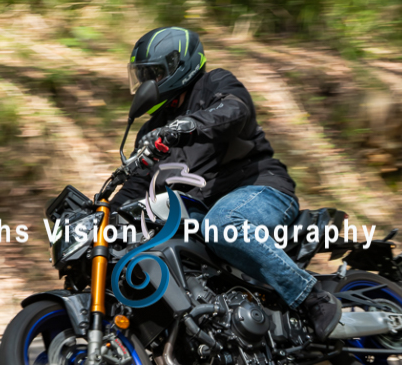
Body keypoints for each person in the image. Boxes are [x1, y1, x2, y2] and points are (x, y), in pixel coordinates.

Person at [111, 26, 342, 339]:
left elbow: (234, 110)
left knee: (222, 224)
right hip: (201, 208)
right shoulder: (153, 131)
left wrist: (189, 125)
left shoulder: (214, 84)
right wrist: (102, 214)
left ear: (178, 66)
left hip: (259, 188)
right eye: (143, 76)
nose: (146, 83)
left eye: (154, 73)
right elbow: (138, 185)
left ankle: (311, 297)